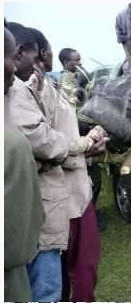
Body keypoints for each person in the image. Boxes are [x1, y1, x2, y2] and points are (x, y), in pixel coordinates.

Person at [28, 29, 109, 301]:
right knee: (72, 266)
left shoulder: (50, 86)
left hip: (73, 188)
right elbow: (48, 143)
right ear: (43, 53)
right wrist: (87, 144)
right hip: (62, 195)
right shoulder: (34, 90)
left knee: (71, 264)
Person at [7, 22, 70, 302]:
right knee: (44, 289)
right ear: (18, 54)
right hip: (33, 224)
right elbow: (43, 140)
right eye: (35, 57)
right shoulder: (16, 93)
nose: (38, 64)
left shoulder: (24, 89)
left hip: (27, 227)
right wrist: (77, 145)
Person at [3, 22, 45, 302]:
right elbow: (18, 247)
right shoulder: (11, 145)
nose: (14, 68)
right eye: (10, 57)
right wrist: (83, 144)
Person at [59, 46, 107, 232]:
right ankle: (87, 218)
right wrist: (81, 87)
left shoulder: (77, 77)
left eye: (80, 59)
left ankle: (90, 215)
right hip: (77, 131)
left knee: (92, 176)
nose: (80, 63)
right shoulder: (65, 80)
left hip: (84, 128)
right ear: (65, 63)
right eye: (76, 60)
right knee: (90, 176)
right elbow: (74, 103)